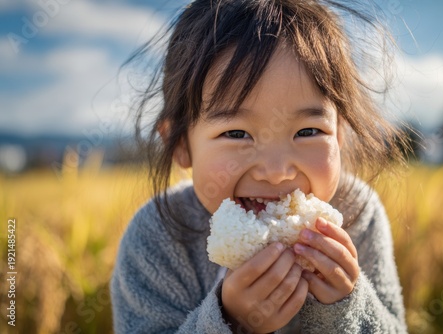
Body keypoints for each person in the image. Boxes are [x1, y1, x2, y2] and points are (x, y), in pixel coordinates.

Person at [111, 0, 409, 333]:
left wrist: (345, 306)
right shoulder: (158, 238)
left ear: (340, 134)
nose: (277, 170)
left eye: (308, 131)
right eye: (237, 133)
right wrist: (229, 320)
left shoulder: (358, 214)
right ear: (180, 145)